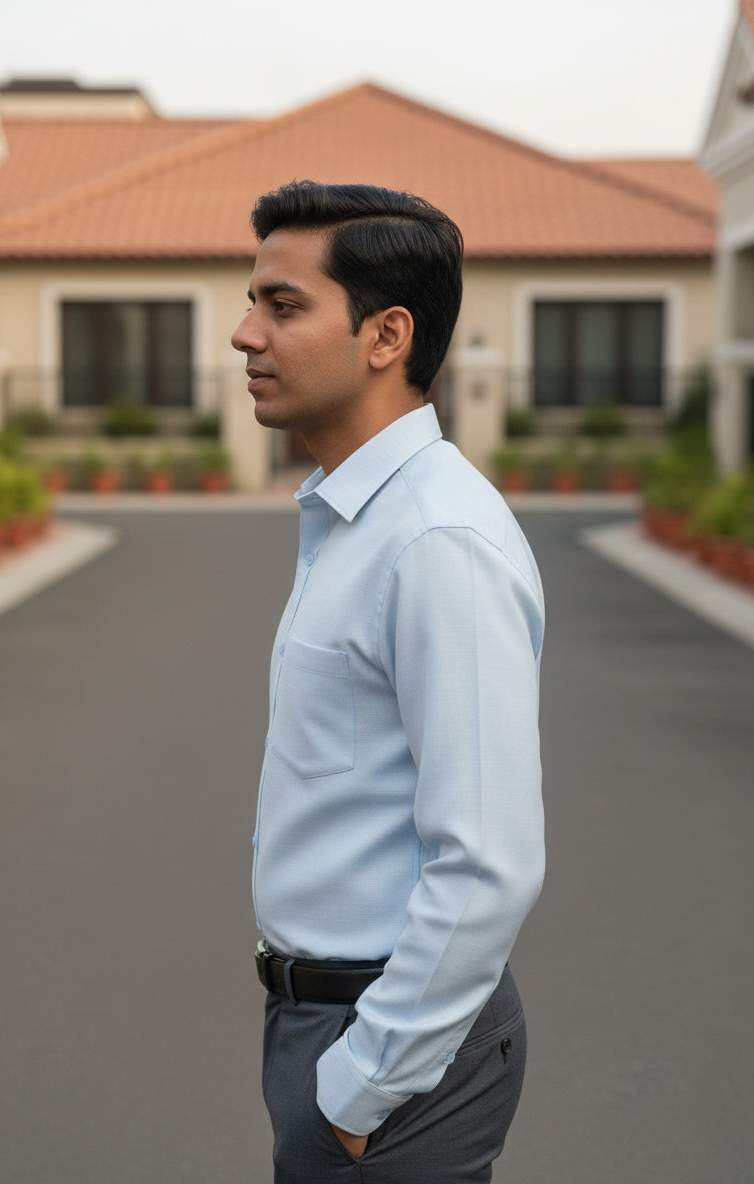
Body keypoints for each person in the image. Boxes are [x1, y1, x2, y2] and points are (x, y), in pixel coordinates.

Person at [231, 180, 545, 1183]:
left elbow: (489, 857)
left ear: (385, 335)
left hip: (392, 1052)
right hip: (328, 1024)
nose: (244, 334)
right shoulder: (358, 517)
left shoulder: (436, 539)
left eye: (282, 306)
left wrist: (361, 1086)